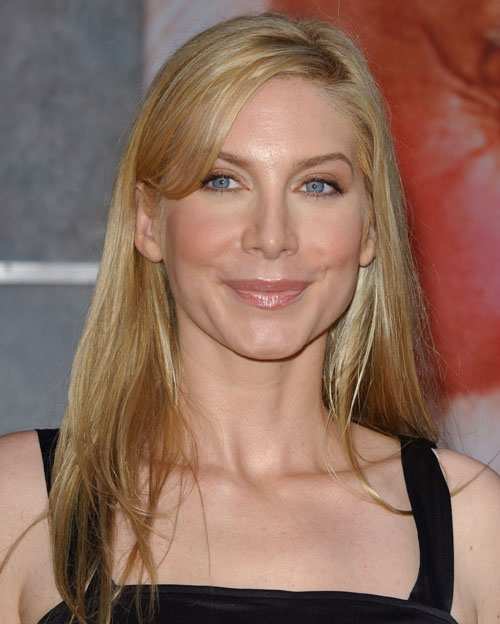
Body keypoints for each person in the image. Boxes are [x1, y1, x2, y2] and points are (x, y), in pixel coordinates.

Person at [0, 12, 499, 624]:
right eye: (223, 180)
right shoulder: (20, 505)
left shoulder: (473, 520)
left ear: (370, 229)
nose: (271, 237)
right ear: (148, 221)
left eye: (317, 186)